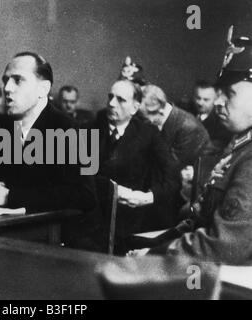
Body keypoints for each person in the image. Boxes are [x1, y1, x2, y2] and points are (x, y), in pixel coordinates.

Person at [131, 27, 252, 265]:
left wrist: (156, 256)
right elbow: (198, 221)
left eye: (230, 93)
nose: (219, 102)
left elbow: (225, 245)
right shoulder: (239, 146)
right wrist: (153, 247)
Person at [0, 52, 96, 213]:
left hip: (60, 234)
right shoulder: (2, 128)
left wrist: (11, 196)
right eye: (5, 81)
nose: (7, 88)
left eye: (17, 80)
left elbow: (85, 196)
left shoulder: (71, 130)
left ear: (43, 89)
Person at [90, 79, 179, 253]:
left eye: (120, 99)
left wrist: (146, 197)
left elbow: (172, 179)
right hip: (96, 214)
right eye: (110, 97)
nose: (111, 103)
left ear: (135, 107)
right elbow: (82, 172)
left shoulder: (148, 133)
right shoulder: (93, 126)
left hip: (132, 218)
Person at [140, 84, 210, 169]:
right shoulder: (163, 118)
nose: (142, 122)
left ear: (161, 111)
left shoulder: (189, 128)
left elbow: (170, 168)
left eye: (144, 118)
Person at [190, 80, 232, 150]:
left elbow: (218, 146)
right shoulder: (186, 109)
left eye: (206, 100)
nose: (200, 103)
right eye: (198, 98)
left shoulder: (222, 121)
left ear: (216, 99)